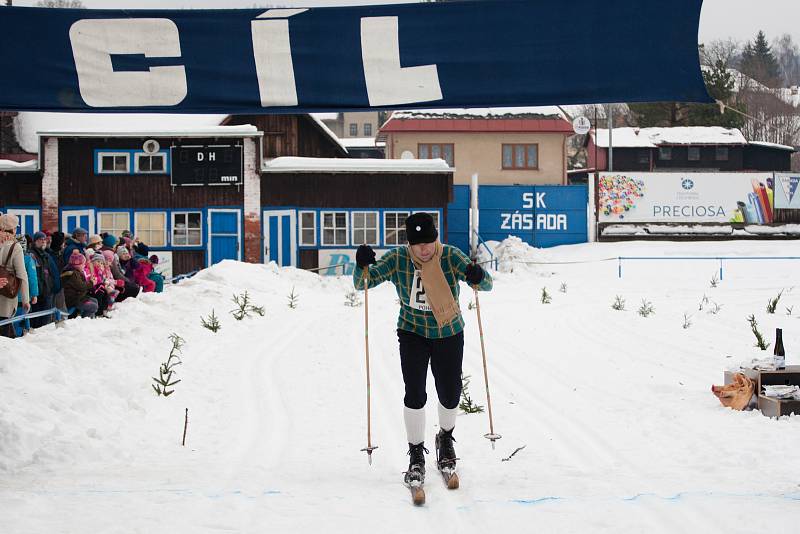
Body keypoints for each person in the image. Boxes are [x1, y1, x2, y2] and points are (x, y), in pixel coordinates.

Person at [353, 212, 492, 489]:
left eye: (429, 242)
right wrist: (362, 265)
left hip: (449, 331)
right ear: (410, 244)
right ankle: (416, 452)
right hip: (412, 332)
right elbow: (363, 283)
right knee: (415, 393)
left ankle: (445, 438)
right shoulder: (398, 259)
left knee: (450, 391)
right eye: (418, 244)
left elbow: (484, 284)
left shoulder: (450, 256)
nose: (425, 249)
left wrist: (478, 274)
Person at [0, 214, 30, 338]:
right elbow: (22, 275)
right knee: (6, 333)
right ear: (12, 229)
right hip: (6, 295)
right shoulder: (15, 247)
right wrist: (25, 299)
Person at [29, 231, 61, 328]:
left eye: (44, 239)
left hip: (47, 291)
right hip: (37, 293)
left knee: (45, 321)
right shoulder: (31, 255)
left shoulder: (46, 255)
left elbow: (53, 273)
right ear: (35, 241)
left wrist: (54, 286)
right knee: (36, 321)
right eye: (40, 239)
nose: (43, 241)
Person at [60, 250, 98, 318]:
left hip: (78, 297)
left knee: (94, 301)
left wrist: (91, 282)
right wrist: (92, 283)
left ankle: (91, 320)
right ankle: (84, 322)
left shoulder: (76, 272)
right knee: (93, 306)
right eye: (83, 264)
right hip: (73, 299)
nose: (84, 266)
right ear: (78, 265)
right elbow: (81, 286)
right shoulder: (72, 273)